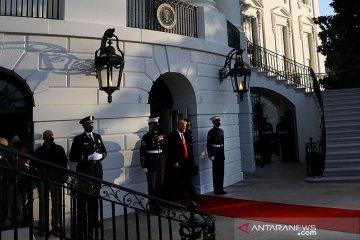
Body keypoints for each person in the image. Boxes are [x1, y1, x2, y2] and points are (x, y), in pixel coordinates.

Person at [69, 115, 107, 239]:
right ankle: (82, 223)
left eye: (92, 123)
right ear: (84, 125)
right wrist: (88, 158)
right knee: (83, 199)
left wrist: (100, 156)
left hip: (97, 172)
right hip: (85, 172)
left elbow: (104, 152)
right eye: (88, 124)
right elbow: (73, 157)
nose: (91, 125)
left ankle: (94, 219)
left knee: (95, 197)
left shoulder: (97, 137)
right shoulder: (78, 139)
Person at [33, 130, 68, 234]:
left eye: (51, 135)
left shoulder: (59, 149)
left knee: (57, 202)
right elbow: (35, 165)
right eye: (48, 135)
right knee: (43, 203)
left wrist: (63, 176)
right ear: (44, 137)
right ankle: (43, 227)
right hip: (44, 179)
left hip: (56, 179)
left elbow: (64, 163)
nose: (50, 137)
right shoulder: (39, 151)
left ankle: (56, 225)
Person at [166, 120, 197, 202]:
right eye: (183, 126)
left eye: (186, 126)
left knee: (187, 180)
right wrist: (174, 161)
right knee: (174, 182)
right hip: (177, 163)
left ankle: (194, 198)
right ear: (178, 125)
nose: (185, 127)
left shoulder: (185, 135)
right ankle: (172, 200)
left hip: (185, 162)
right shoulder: (172, 136)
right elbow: (170, 150)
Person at [140, 117, 166, 198]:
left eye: (155, 125)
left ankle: (159, 200)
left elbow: (164, 148)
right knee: (153, 183)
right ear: (150, 125)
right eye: (153, 125)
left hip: (160, 161)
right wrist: (143, 165)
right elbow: (142, 151)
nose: (154, 126)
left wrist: (164, 160)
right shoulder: (146, 136)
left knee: (160, 182)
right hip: (151, 162)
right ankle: (152, 202)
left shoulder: (161, 135)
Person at [207, 116, 226, 195]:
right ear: (213, 122)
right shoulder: (211, 132)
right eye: (217, 121)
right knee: (216, 172)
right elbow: (208, 144)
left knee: (221, 171)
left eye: (219, 121)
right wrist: (210, 155)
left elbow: (223, 143)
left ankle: (221, 189)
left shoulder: (221, 131)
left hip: (220, 152)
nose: (218, 122)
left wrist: (223, 153)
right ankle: (217, 190)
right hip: (215, 153)